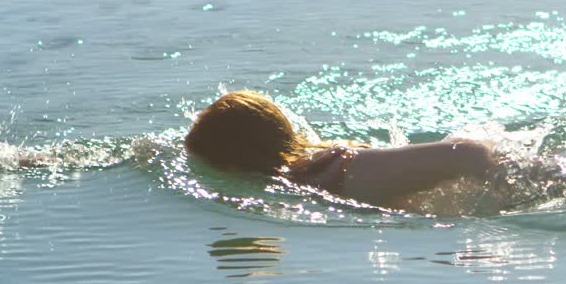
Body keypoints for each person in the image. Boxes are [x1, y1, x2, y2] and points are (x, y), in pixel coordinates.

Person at [184, 90, 496, 209]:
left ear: (233, 160)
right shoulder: (302, 182)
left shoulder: (340, 173)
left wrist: (508, 194)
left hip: (524, 180)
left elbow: (468, 154)